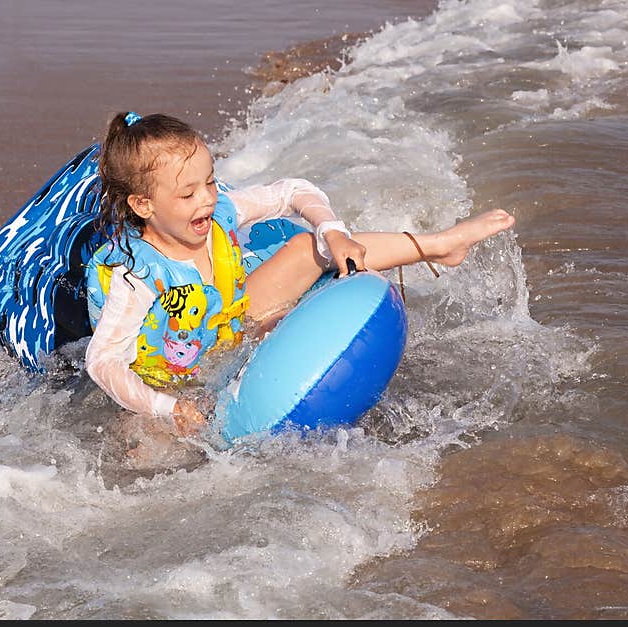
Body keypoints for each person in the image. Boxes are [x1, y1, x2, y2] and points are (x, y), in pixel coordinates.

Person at [85, 111, 515, 436]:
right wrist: (168, 409)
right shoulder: (135, 276)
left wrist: (335, 232)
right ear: (143, 206)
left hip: (227, 324)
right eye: (188, 193)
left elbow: (294, 190)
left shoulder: (217, 216)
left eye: (211, 183)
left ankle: (440, 246)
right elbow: (103, 361)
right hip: (178, 377)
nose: (207, 201)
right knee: (150, 453)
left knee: (307, 247)